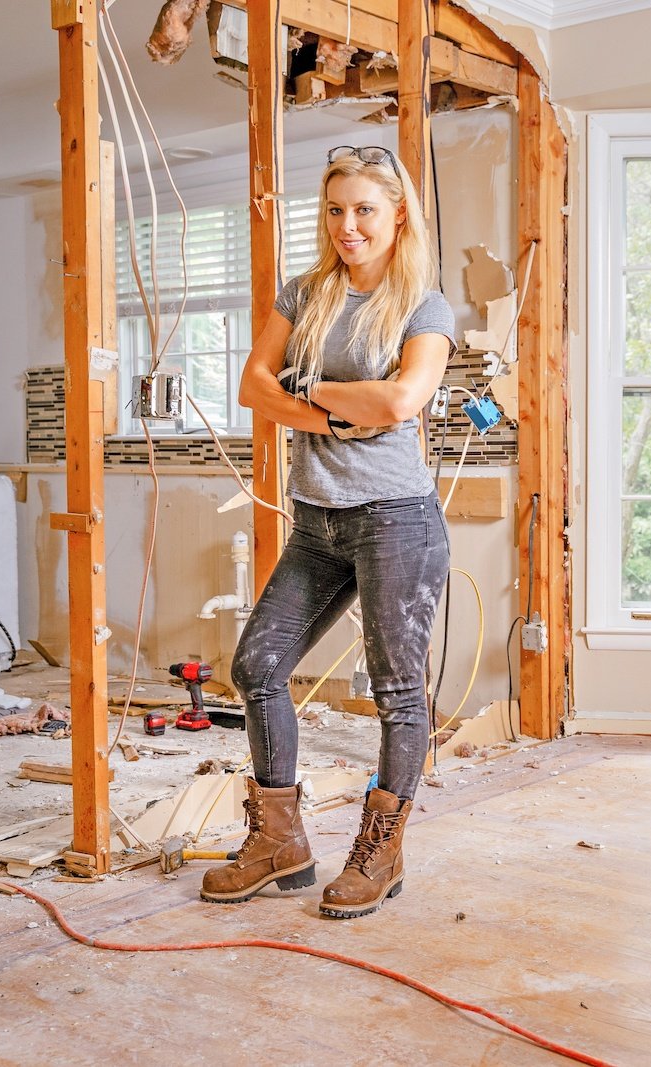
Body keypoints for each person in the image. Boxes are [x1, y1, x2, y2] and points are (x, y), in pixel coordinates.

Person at [200, 145, 454, 919]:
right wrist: (340, 408)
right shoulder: (304, 294)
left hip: (396, 519)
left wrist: (307, 390)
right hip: (317, 520)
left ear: (397, 215)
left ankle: (381, 852)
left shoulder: (424, 306)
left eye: (365, 210)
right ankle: (279, 842)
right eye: (336, 210)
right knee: (257, 666)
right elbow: (253, 386)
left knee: (397, 693)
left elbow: (402, 400)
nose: (349, 225)